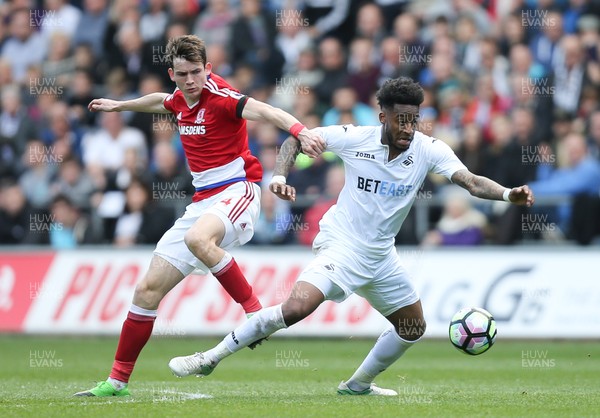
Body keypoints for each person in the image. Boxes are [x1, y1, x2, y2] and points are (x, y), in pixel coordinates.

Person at [167, 77, 534, 395]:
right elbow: (298, 140)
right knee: (296, 309)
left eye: (414, 120)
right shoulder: (355, 138)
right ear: (382, 118)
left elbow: (470, 181)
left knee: (412, 328)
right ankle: (209, 358)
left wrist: (505, 194)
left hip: (381, 256)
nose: (408, 128)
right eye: (401, 120)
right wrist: (278, 176)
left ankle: (357, 385)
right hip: (341, 245)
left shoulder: (429, 149)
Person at [75, 34, 325, 397]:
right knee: (146, 291)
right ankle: (116, 382)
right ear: (172, 73)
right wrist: (119, 106)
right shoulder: (178, 97)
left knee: (198, 240)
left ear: (208, 69)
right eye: (182, 74)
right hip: (203, 202)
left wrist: (301, 131)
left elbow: (267, 111)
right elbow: (161, 102)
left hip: (239, 190)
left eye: (196, 72)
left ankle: (256, 314)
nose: (191, 81)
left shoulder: (222, 98)